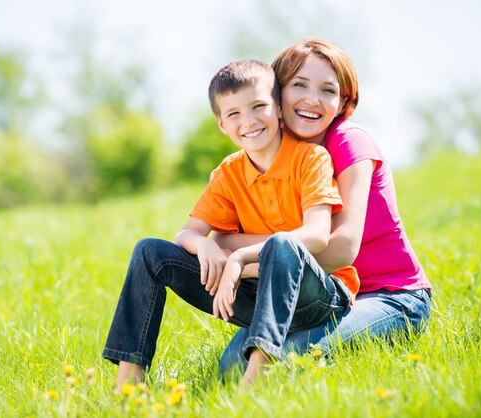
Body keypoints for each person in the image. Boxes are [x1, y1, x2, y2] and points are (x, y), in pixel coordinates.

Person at [102, 59, 359, 386]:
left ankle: (256, 379)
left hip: (320, 297)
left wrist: (239, 258)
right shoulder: (228, 172)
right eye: (234, 113)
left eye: (258, 106)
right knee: (149, 252)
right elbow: (187, 234)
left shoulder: (311, 159)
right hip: (258, 294)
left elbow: (318, 235)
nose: (248, 121)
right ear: (221, 124)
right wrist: (205, 243)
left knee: (284, 243)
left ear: (279, 108)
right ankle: (129, 385)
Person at [216, 37, 433, 374]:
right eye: (299, 85)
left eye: (328, 90)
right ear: (276, 94)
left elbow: (342, 247)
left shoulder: (349, 142)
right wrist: (270, 253)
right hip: (317, 295)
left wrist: (247, 262)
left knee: (280, 360)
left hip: (389, 295)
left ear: (343, 100)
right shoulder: (271, 149)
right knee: (231, 367)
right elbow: (220, 239)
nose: (312, 100)